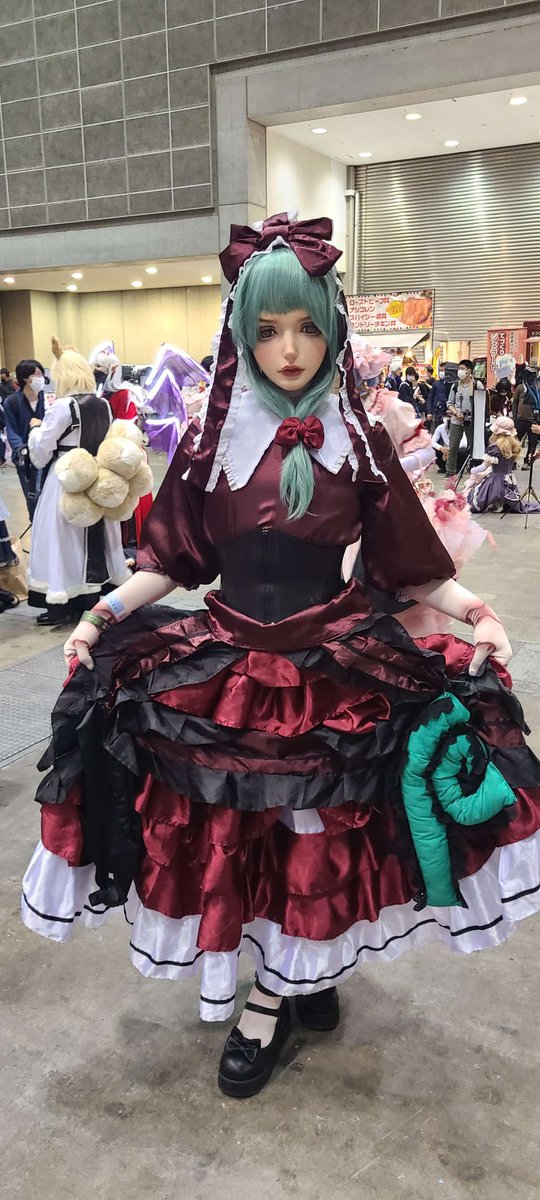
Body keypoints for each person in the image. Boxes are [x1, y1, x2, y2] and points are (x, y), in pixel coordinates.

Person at [22, 214, 540, 1101]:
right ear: (241, 333)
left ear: (331, 327)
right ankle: (295, 974)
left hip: (331, 668)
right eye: (267, 330)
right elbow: (171, 558)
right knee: (242, 836)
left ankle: (280, 989)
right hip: (230, 668)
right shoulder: (210, 438)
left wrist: (476, 612)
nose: (289, 349)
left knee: (318, 839)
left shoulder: (358, 436)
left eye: (306, 326)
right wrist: (102, 613)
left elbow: (409, 561)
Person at [26, 339, 130, 626]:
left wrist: (35, 431)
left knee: (62, 541)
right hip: (96, 479)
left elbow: (40, 454)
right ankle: (93, 600)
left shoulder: (61, 408)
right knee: (97, 539)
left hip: (65, 481)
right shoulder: (103, 405)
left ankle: (64, 604)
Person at [92, 350, 153, 550]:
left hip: (125, 455)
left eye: (100, 367)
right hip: (105, 455)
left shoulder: (125, 395)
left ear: (112, 369)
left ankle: (133, 544)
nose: (96, 370)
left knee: (129, 499)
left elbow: (127, 429)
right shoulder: (100, 395)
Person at [467, 415, 540, 514]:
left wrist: (473, 470)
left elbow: (483, 467)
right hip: (508, 479)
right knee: (503, 491)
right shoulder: (513, 445)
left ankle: (496, 503)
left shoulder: (494, 448)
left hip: (495, 479)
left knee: (479, 497)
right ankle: (500, 504)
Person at [3, 360, 46, 520]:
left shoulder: (47, 399)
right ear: (25, 378)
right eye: (36, 374)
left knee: (48, 497)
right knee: (31, 497)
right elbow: (11, 430)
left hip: (47, 453)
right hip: (25, 457)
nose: (40, 378)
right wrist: (20, 449)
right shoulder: (12, 401)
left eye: (41, 374)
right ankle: (35, 524)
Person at [445, 358, 486, 476]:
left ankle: (474, 469)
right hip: (456, 420)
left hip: (472, 421)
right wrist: (455, 413)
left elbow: (481, 402)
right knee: (453, 446)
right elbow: (449, 403)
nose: (460, 371)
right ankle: (450, 471)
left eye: (462, 369)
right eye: (459, 369)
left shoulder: (477, 385)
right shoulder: (455, 386)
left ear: (469, 371)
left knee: (473, 446)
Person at [513, 364, 540, 470]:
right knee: (515, 441)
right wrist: (515, 417)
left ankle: (528, 462)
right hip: (520, 419)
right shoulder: (520, 387)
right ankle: (512, 461)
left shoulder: (538, 387)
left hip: (534, 421)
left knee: (532, 443)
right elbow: (515, 402)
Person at [427, 362, 449, 433]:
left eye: (443, 370)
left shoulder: (452, 384)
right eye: (440, 370)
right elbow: (430, 398)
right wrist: (429, 412)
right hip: (437, 412)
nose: (441, 372)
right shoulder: (436, 384)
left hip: (449, 414)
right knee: (436, 432)